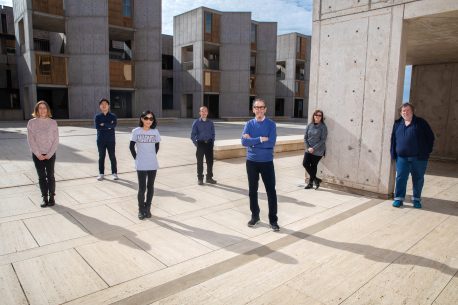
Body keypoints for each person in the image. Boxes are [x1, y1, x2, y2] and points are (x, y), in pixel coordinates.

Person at [241, 98, 279, 232]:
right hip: (251, 162)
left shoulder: (271, 124)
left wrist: (252, 140)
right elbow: (243, 142)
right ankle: (255, 216)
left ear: (265, 109)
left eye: (261, 107)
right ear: (253, 110)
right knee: (252, 191)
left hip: (267, 162)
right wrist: (261, 139)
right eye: (256, 107)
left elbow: (271, 143)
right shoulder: (249, 124)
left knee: (271, 191)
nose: (259, 110)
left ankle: (273, 220)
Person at [390, 103, 434, 209]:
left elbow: (431, 137)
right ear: (400, 113)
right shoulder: (397, 124)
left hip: (419, 158)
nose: (405, 112)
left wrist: (426, 151)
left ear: (412, 111)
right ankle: (399, 199)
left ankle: (416, 199)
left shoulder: (421, 123)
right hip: (402, 158)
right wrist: (393, 153)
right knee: (400, 178)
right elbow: (393, 140)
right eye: (403, 111)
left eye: (408, 110)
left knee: (418, 179)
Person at [27, 100, 59, 208]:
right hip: (37, 155)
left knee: (50, 176)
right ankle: (44, 198)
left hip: (50, 154)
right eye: (40, 108)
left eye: (44, 108)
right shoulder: (31, 123)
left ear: (47, 109)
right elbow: (31, 140)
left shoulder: (53, 122)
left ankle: (52, 197)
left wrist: (49, 154)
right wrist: (37, 153)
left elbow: (56, 140)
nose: (42, 110)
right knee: (41, 177)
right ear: (37, 110)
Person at [130, 110, 161, 220]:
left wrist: (151, 155)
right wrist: (137, 158)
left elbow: (157, 147)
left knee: (150, 187)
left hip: (152, 163)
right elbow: (131, 147)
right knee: (142, 188)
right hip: (141, 164)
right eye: (146, 118)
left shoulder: (155, 132)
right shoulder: (136, 131)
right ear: (142, 119)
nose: (149, 121)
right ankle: (141, 209)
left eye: (151, 119)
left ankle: (148, 208)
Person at [190, 106, 217, 185]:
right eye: (202, 111)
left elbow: (213, 133)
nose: (204, 113)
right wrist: (197, 144)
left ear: (207, 113)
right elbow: (192, 135)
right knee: (200, 162)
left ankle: (209, 178)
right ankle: (200, 179)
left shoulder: (210, 122)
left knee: (210, 162)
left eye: (205, 111)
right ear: (200, 113)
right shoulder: (196, 122)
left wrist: (212, 142)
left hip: (209, 144)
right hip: (200, 144)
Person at [303, 109, 327, 190]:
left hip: (318, 150)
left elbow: (323, 140)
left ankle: (310, 183)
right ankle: (316, 180)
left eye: (320, 115)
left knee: (313, 166)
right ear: (314, 116)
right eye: (316, 115)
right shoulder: (310, 125)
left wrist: (313, 148)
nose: (317, 116)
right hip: (308, 149)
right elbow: (305, 138)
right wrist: (308, 147)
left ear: (321, 117)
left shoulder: (323, 127)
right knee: (305, 164)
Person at [94, 98, 118, 181]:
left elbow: (113, 126)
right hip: (100, 140)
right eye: (102, 104)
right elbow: (97, 127)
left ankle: (114, 173)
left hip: (111, 140)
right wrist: (108, 125)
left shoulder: (113, 116)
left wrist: (103, 124)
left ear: (108, 106)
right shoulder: (97, 116)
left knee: (112, 156)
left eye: (105, 104)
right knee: (101, 157)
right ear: (100, 106)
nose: (104, 106)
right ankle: (101, 173)